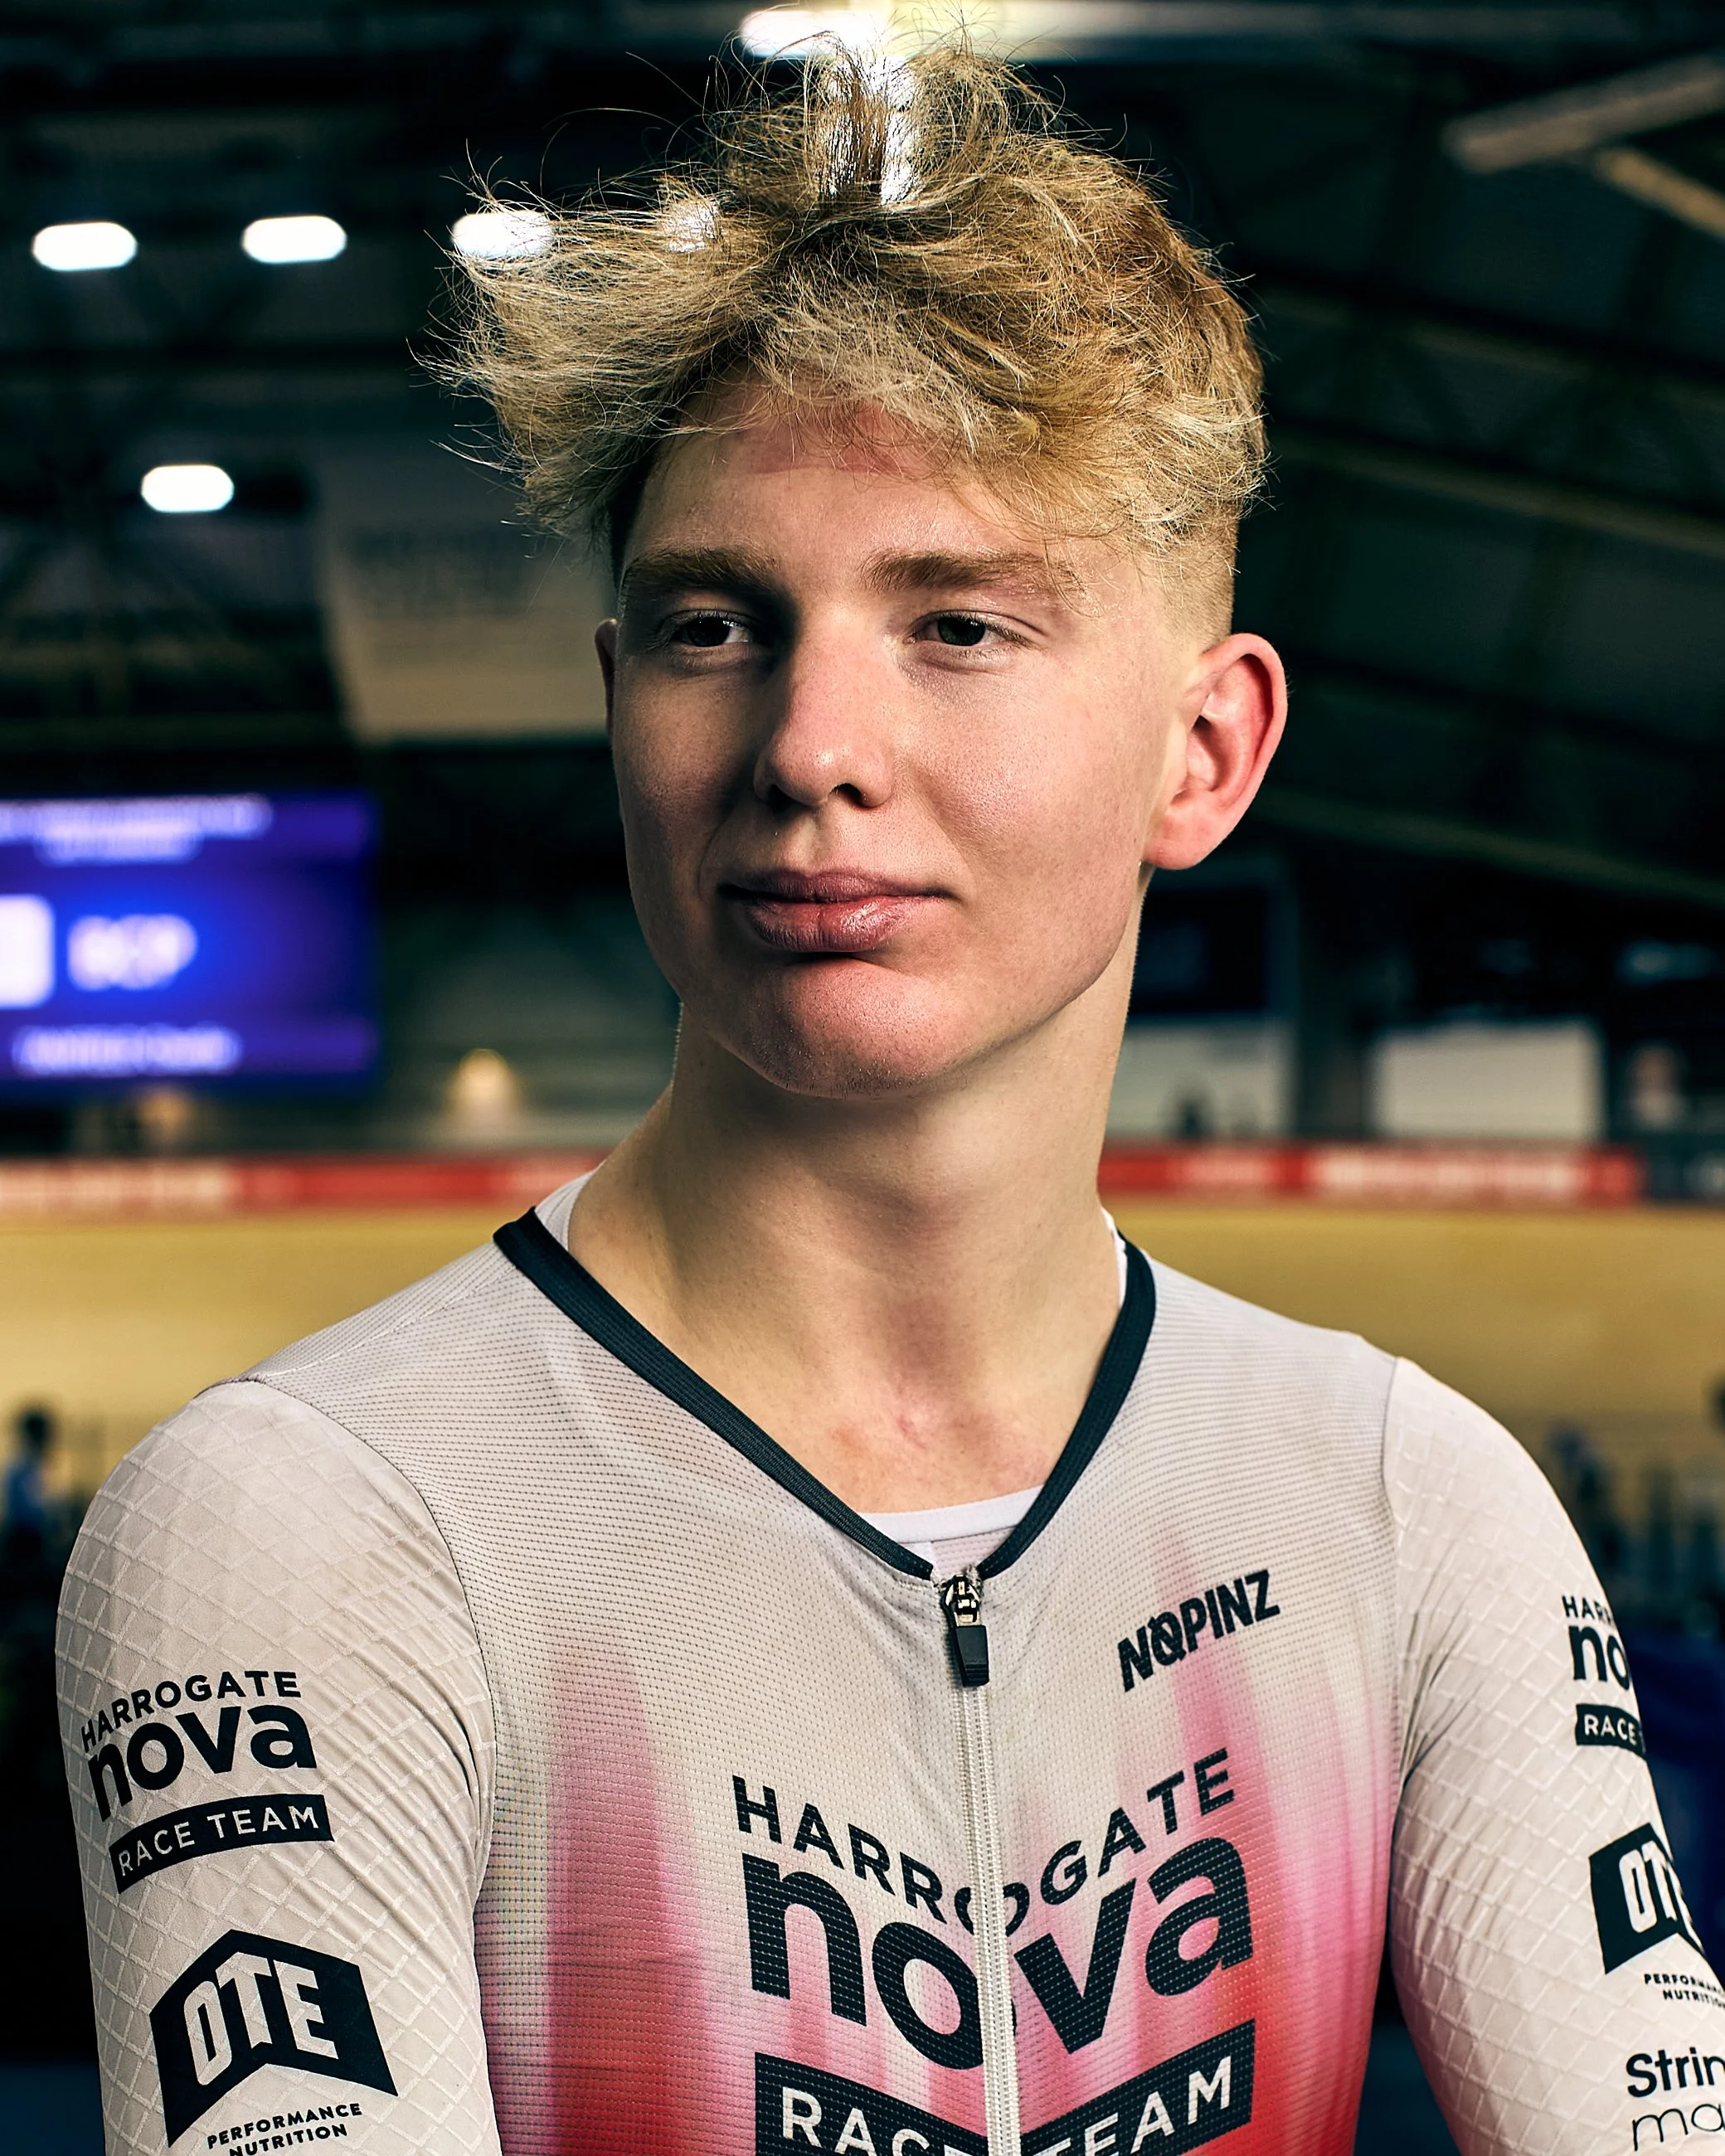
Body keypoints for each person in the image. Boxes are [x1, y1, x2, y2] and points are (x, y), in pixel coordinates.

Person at [57, 44, 1718, 2156]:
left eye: (956, 623)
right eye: (712, 624)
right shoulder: (303, 1525)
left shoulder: (1406, 1502)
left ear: (1202, 753)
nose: (807, 744)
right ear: (618, 699)